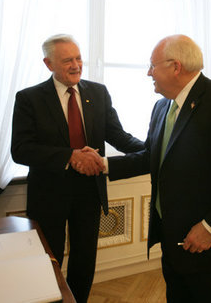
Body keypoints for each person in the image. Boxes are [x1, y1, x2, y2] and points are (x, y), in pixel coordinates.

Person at [106, 34, 211, 302]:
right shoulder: (161, 107)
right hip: (174, 241)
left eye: (152, 66)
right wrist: (103, 164)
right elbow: (151, 157)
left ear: (175, 67)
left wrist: (210, 227)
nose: (148, 73)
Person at [11, 34, 144, 303]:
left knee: (85, 258)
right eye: (67, 60)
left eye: (79, 58)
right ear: (49, 64)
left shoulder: (97, 92)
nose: (76, 65)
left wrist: (152, 150)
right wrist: (70, 156)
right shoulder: (29, 99)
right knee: (50, 258)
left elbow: (117, 135)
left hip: (89, 192)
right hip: (49, 195)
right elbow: (21, 150)